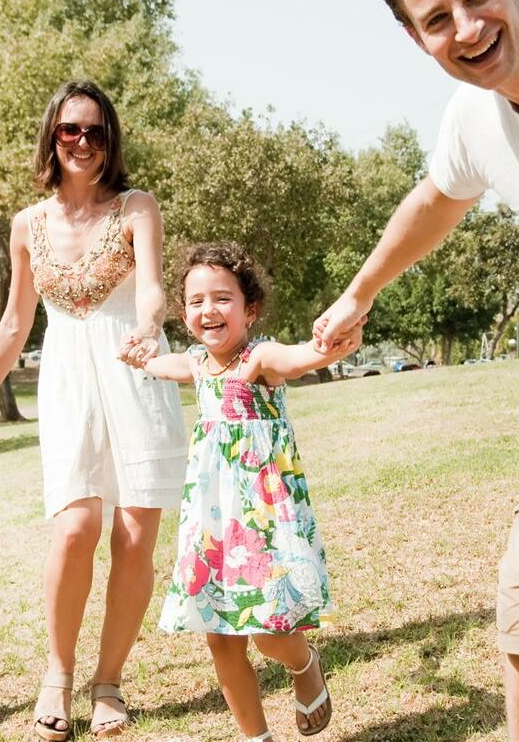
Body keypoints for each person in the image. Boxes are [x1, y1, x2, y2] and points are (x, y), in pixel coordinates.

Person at [314, 0, 519, 741]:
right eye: (436, 20)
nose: (466, 27)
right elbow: (436, 199)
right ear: (416, 39)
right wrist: (359, 295)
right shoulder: (473, 121)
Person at [0, 79, 188, 740]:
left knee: (135, 534)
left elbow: (152, 289)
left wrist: (147, 330)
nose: (82, 142)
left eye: (95, 131)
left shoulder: (138, 206)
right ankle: (57, 672)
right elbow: (14, 322)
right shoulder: (28, 224)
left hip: (132, 370)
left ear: (110, 140)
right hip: (66, 380)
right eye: (69, 131)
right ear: (52, 138)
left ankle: (108, 683)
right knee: (75, 528)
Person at [120, 242, 363, 741]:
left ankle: (304, 663)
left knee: (269, 635)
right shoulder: (194, 364)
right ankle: (258, 738)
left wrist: (327, 347)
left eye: (223, 298)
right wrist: (140, 359)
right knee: (220, 639)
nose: (208, 309)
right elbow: (165, 367)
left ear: (250, 309)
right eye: (195, 301)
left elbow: (298, 358)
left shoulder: (259, 359)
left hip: (262, 520)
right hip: (211, 526)